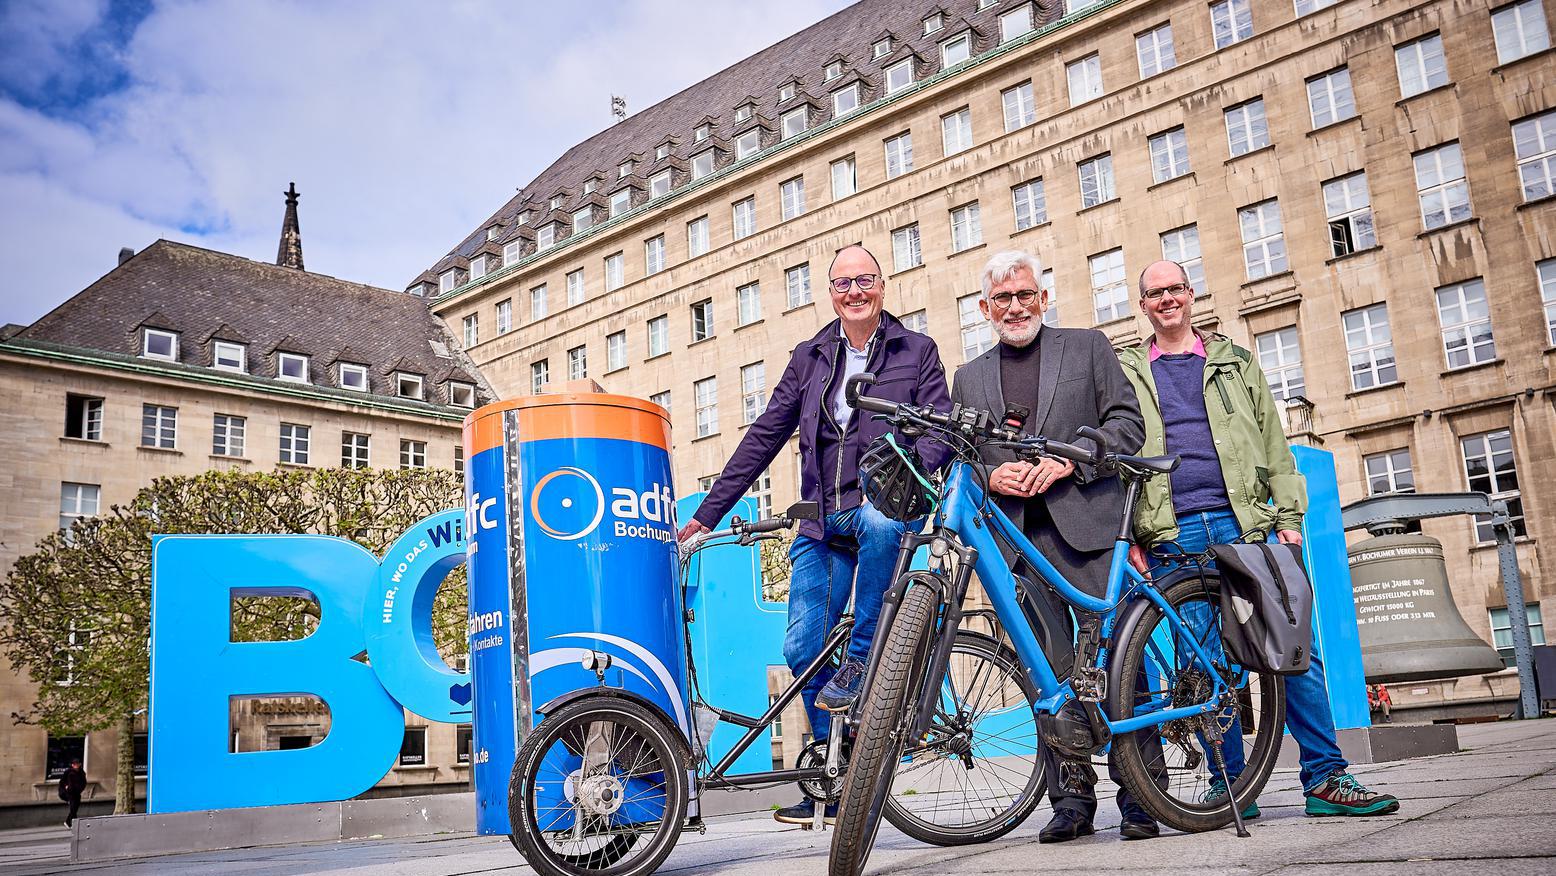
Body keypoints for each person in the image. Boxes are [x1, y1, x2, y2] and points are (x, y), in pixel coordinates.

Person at [676, 243, 951, 825]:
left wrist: (913, 476)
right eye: (843, 283)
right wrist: (708, 513)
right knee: (801, 649)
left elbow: (939, 429)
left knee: (880, 522)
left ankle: (863, 656)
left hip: (887, 506)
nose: (855, 291)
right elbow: (763, 436)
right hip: (824, 521)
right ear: (830, 292)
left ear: (882, 287)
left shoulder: (916, 351)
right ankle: (837, 771)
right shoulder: (810, 357)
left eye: (866, 281)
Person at [1118, 259, 1400, 818]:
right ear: (1143, 305)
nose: (1167, 299)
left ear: (1191, 295)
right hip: (1169, 535)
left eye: (1175, 288)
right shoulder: (1128, 371)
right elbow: (1120, 458)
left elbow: (1274, 440)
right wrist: (1127, 535)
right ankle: (1230, 785)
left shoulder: (1234, 362)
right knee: (1204, 669)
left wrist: (1289, 517)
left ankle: (1325, 779)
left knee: (1293, 652)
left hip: (1244, 525)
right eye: (1155, 293)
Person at [950, 250, 1161, 842]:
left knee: (1122, 662)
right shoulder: (968, 377)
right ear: (986, 309)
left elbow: (1126, 424)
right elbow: (965, 455)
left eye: (1024, 295)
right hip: (1016, 542)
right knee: (1047, 673)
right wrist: (991, 475)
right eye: (1002, 299)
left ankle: (1144, 794)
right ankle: (1071, 800)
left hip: (1088, 529)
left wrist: (1067, 463)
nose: (1014, 307)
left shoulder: (1089, 346)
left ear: (1042, 297)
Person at [59, 757, 87, 827]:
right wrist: (66, 786)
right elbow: (62, 781)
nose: (76, 765)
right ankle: (74, 824)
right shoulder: (68, 772)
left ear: (80, 764)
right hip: (70, 793)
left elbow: (84, 782)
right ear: (72, 765)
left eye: (77, 764)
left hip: (77, 793)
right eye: (74, 764)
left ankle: (68, 822)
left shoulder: (82, 773)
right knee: (73, 808)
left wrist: (80, 789)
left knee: (75, 808)